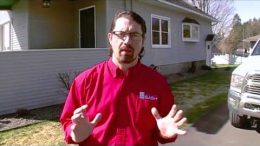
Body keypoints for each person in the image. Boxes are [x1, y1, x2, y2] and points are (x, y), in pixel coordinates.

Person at [60, 10, 187, 146]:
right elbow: (68, 123)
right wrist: (75, 132)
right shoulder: (85, 81)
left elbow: (165, 128)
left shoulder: (158, 83)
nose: (127, 41)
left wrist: (165, 134)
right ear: (110, 38)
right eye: (121, 34)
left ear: (143, 41)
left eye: (134, 35)